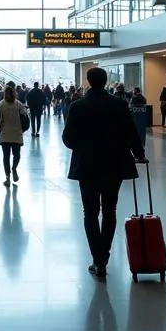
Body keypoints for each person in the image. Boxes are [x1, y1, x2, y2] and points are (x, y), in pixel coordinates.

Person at [62, 66, 145, 281]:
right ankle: (104, 256)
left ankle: (97, 258)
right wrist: (139, 153)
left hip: (87, 165)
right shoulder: (118, 104)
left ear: (89, 81)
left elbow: (67, 138)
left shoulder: (78, 106)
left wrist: (82, 146)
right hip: (114, 163)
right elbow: (131, 132)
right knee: (110, 209)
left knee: (90, 211)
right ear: (106, 80)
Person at [0, 85, 28, 187]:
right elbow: (26, 117)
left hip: (4, 134)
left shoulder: (1, 105)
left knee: (6, 156)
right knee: (16, 154)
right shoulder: (18, 104)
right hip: (17, 134)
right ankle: (14, 169)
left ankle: (7, 178)